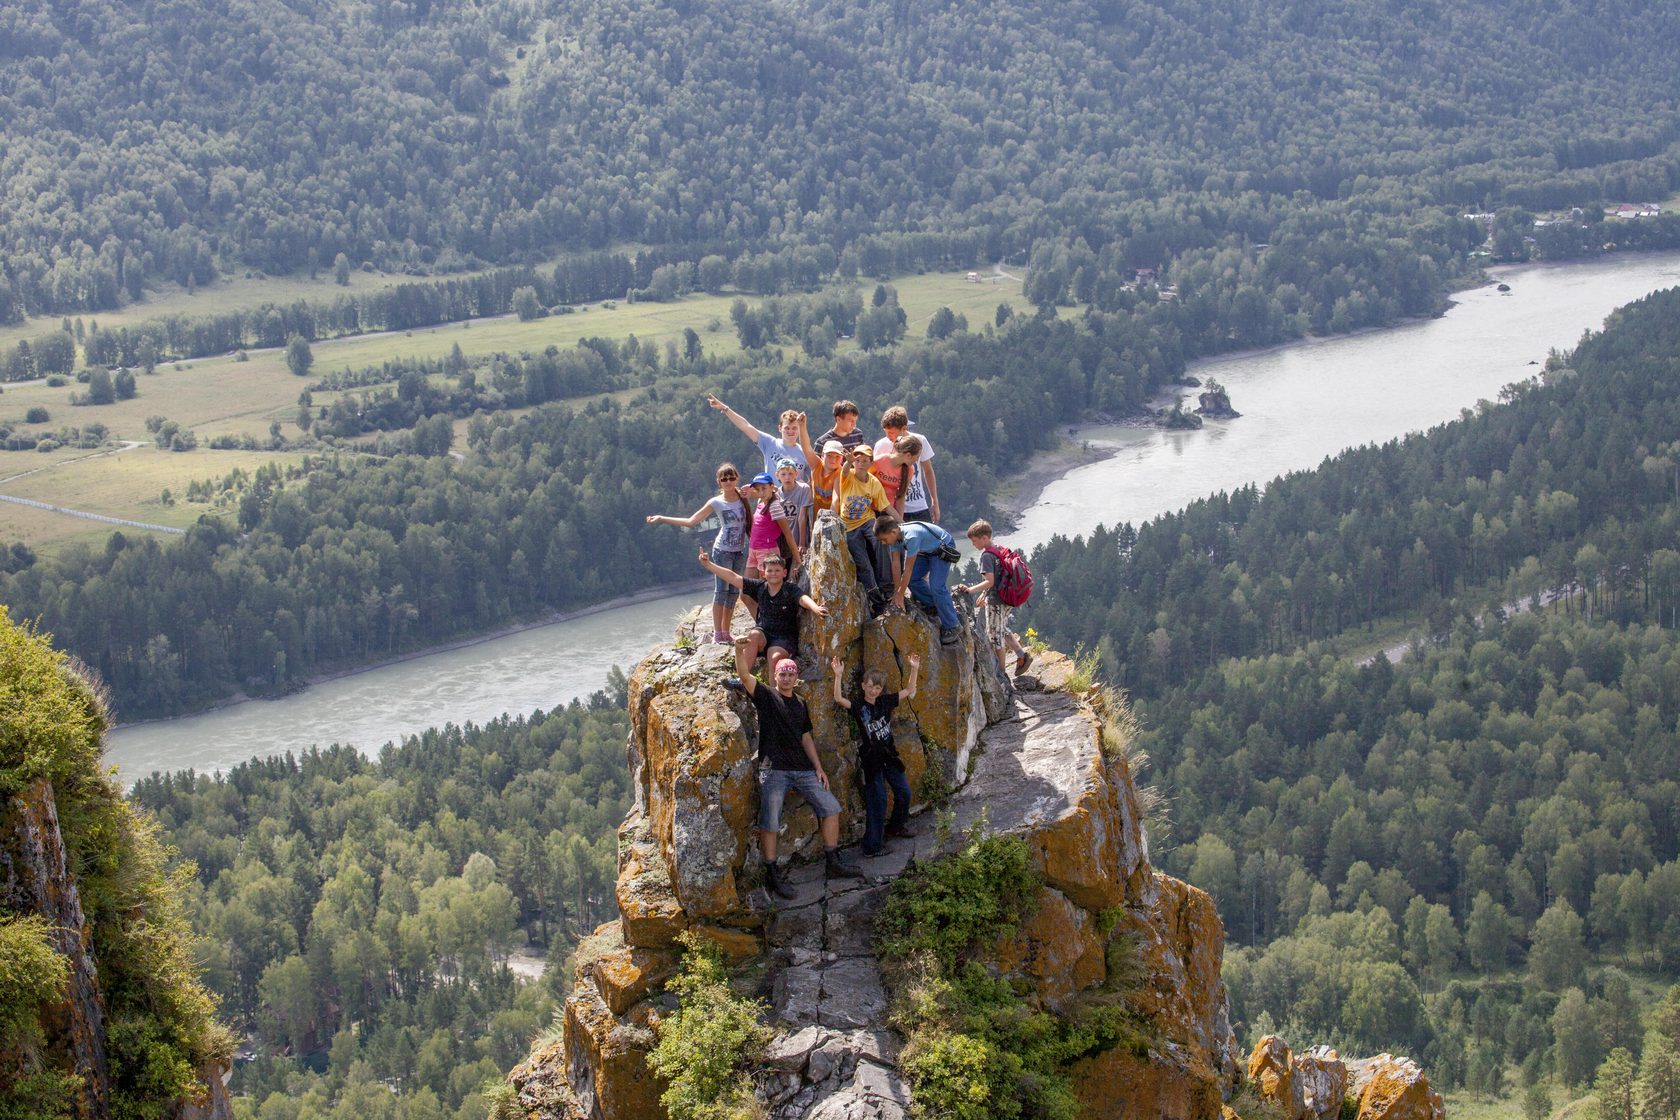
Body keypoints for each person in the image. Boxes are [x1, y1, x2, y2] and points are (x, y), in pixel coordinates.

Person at [730, 643, 862, 896]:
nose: (787, 678)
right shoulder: (767, 696)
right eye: (783, 674)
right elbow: (745, 676)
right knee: (770, 820)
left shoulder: (801, 703)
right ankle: (771, 872)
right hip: (774, 769)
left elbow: (806, 737)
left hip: (802, 769)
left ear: (796, 677)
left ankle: (832, 862)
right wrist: (738, 651)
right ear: (775, 676)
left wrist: (819, 768)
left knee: (831, 808)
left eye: (791, 674)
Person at [647, 464, 752, 644]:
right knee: (721, 591)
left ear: (737, 478)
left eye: (731, 478)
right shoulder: (716, 502)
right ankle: (718, 634)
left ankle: (726, 632)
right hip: (723, 551)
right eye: (724, 479)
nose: (728, 481)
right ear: (719, 481)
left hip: (739, 551)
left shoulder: (743, 497)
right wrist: (662, 518)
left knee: (734, 592)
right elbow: (691, 522)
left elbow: (763, 497)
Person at [831, 653, 919, 856]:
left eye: (877, 688)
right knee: (877, 800)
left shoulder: (885, 702)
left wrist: (914, 668)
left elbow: (909, 690)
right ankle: (872, 846)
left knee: (904, 792)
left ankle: (896, 826)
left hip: (890, 756)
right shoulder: (859, 706)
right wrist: (838, 675)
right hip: (871, 759)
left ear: (881, 690)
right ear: (863, 686)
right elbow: (838, 698)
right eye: (870, 686)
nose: (873, 691)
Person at [699, 549, 826, 671]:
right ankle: (742, 680)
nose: (773, 573)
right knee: (753, 634)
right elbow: (733, 577)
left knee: (774, 657)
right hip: (764, 635)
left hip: (784, 638)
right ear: (764, 573)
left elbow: (803, 599)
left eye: (777, 570)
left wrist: (816, 608)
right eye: (770, 571)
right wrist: (709, 564)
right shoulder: (759, 586)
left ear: (784, 572)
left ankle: (775, 693)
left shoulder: (790, 589)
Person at [955, 519, 1032, 675]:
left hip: (997, 601)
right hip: (1007, 598)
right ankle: (1021, 655)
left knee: (995, 636)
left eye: (975, 541)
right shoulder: (1000, 549)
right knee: (1002, 628)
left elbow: (989, 581)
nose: (973, 545)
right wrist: (984, 593)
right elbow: (997, 578)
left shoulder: (986, 557)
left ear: (984, 538)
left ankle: (1000, 672)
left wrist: (969, 590)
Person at [875, 514, 960, 645]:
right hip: (926, 550)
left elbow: (907, 570)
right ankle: (933, 604)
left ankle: (952, 625)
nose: (883, 543)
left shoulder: (911, 537)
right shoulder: (895, 538)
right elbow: (896, 564)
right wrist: (897, 593)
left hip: (942, 547)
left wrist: (901, 595)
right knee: (913, 579)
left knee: (937, 586)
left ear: (893, 532)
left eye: (884, 539)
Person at [834, 445, 894, 614]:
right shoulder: (847, 476)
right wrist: (848, 463)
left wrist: (902, 523)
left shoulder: (874, 482)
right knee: (863, 563)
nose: (860, 463)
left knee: (881, 542)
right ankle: (876, 597)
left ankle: (887, 586)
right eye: (857, 460)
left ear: (870, 463)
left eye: (864, 461)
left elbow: (886, 506)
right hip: (849, 526)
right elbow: (844, 472)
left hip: (867, 520)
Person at [707, 395, 810, 482]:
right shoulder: (770, 443)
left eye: (794, 428)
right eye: (787, 428)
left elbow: (815, 478)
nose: (790, 431)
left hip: (794, 503)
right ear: (780, 428)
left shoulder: (805, 453)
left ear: (800, 429)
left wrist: (805, 487)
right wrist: (724, 408)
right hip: (770, 499)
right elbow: (746, 426)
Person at [875, 406, 939, 523]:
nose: (888, 436)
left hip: (918, 504)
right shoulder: (881, 445)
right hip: (892, 507)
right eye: (886, 432)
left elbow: (928, 471)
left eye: (892, 433)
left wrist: (934, 500)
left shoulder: (920, 440)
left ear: (903, 428)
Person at [744, 471, 799, 581]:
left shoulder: (774, 506)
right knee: (747, 592)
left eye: (764, 488)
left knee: (764, 590)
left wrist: (798, 561)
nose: (761, 492)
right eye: (758, 489)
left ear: (772, 487)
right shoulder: (761, 503)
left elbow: (788, 534)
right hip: (753, 550)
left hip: (767, 551)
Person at [795, 416, 847, 512]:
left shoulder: (840, 473)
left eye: (837, 457)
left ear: (842, 459)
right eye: (829, 455)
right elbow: (806, 447)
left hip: (834, 518)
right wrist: (802, 426)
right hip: (816, 519)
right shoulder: (816, 465)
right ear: (823, 455)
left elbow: (836, 500)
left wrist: (831, 521)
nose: (833, 460)